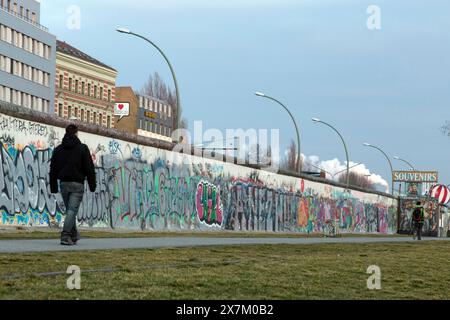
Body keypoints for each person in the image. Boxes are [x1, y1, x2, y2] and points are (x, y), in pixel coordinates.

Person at [50, 125, 96, 246]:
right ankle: (65, 236)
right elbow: (89, 168)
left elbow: (53, 169)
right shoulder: (82, 148)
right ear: (76, 133)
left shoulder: (58, 149)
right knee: (72, 210)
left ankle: (73, 235)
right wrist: (92, 185)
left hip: (63, 184)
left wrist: (53, 186)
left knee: (70, 211)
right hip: (77, 184)